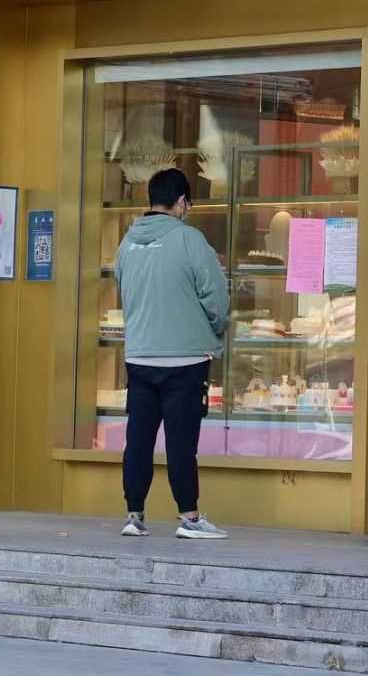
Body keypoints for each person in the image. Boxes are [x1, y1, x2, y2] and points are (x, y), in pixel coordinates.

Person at [114, 167, 229, 541]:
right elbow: (216, 297)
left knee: (139, 440)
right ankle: (189, 517)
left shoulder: (127, 242)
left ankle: (134, 515)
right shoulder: (190, 239)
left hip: (139, 355)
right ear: (181, 202)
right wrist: (216, 328)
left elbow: (121, 286)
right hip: (185, 358)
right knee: (181, 443)